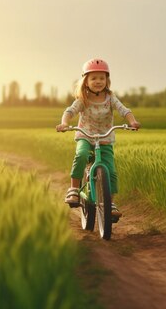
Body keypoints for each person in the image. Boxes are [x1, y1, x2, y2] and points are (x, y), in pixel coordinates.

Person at [56, 58, 141, 220]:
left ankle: (111, 203)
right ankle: (74, 189)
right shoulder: (83, 98)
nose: (98, 81)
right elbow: (70, 111)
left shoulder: (110, 98)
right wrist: (64, 123)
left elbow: (124, 110)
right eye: (93, 78)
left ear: (107, 80)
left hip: (105, 139)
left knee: (111, 171)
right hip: (85, 136)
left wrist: (132, 121)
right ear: (85, 81)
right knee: (81, 155)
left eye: (102, 78)